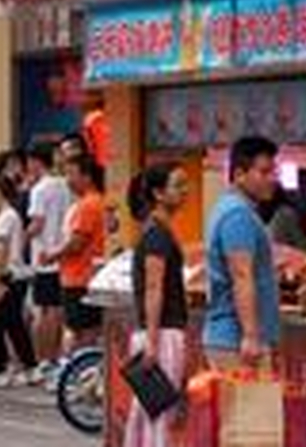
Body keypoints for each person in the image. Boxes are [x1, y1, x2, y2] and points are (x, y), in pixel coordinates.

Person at [124, 165, 194, 447]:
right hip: (161, 333)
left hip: (157, 332)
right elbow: (154, 288)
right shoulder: (157, 236)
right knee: (159, 412)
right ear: (158, 194)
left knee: (146, 411)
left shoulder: (156, 232)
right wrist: (152, 342)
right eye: (178, 185)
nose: (185, 191)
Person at [204, 135, 284, 371]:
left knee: (240, 409)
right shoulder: (238, 215)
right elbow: (241, 274)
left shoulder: (232, 209)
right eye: (264, 172)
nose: (272, 179)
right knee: (250, 409)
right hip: (236, 341)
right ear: (239, 174)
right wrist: (250, 335)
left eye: (273, 172)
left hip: (232, 339)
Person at [25, 141, 76, 378]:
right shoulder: (67, 185)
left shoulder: (40, 189)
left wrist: (19, 239)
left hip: (45, 257)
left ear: (35, 161)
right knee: (57, 310)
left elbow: (37, 224)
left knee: (44, 312)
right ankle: (56, 359)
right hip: (64, 255)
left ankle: (44, 360)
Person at [0, 172, 38, 387]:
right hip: (16, 276)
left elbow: (2, 251)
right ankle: (30, 367)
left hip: (8, 276)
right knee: (14, 324)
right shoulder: (12, 215)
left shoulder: (6, 216)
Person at [61, 155, 112, 342]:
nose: (67, 180)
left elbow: (77, 244)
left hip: (79, 277)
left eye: (71, 174)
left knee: (81, 332)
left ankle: (81, 369)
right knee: (90, 330)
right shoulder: (100, 201)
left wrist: (53, 255)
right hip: (90, 276)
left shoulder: (87, 206)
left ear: (87, 177)